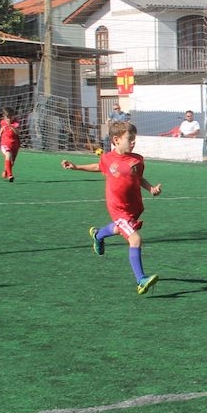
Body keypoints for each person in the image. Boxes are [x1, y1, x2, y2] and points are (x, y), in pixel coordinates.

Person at [61, 120, 162, 295]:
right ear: (116, 140)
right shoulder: (108, 159)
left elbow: (139, 178)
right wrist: (76, 167)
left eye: (134, 139)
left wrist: (151, 188)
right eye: (129, 138)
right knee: (135, 239)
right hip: (118, 208)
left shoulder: (137, 160)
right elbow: (97, 166)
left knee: (118, 229)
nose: (133, 142)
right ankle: (141, 280)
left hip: (133, 207)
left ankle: (98, 235)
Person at [0, 106, 22, 182]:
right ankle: (10, 175)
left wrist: (11, 126)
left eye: (11, 117)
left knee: (12, 162)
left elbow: (17, 133)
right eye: (7, 117)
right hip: (5, 144)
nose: (9, 119)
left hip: (15, 145)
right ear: (4, 117)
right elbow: (2, 128)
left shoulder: (16, 123)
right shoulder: (2, 122)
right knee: (8, 154)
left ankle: (6, 171)